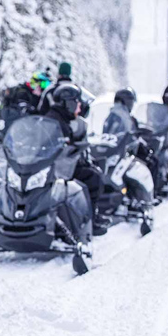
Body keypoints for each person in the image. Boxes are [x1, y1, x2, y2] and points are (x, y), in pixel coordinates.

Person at [44, 83, 109, 236]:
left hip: (59, 165)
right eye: (77, 103)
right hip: (58, 168)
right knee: (94, 178)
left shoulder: (58, 117)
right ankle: (88, 221)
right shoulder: (56, 121)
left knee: (93, 171)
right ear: (68, 103)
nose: (79, 108)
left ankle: (87, 215)